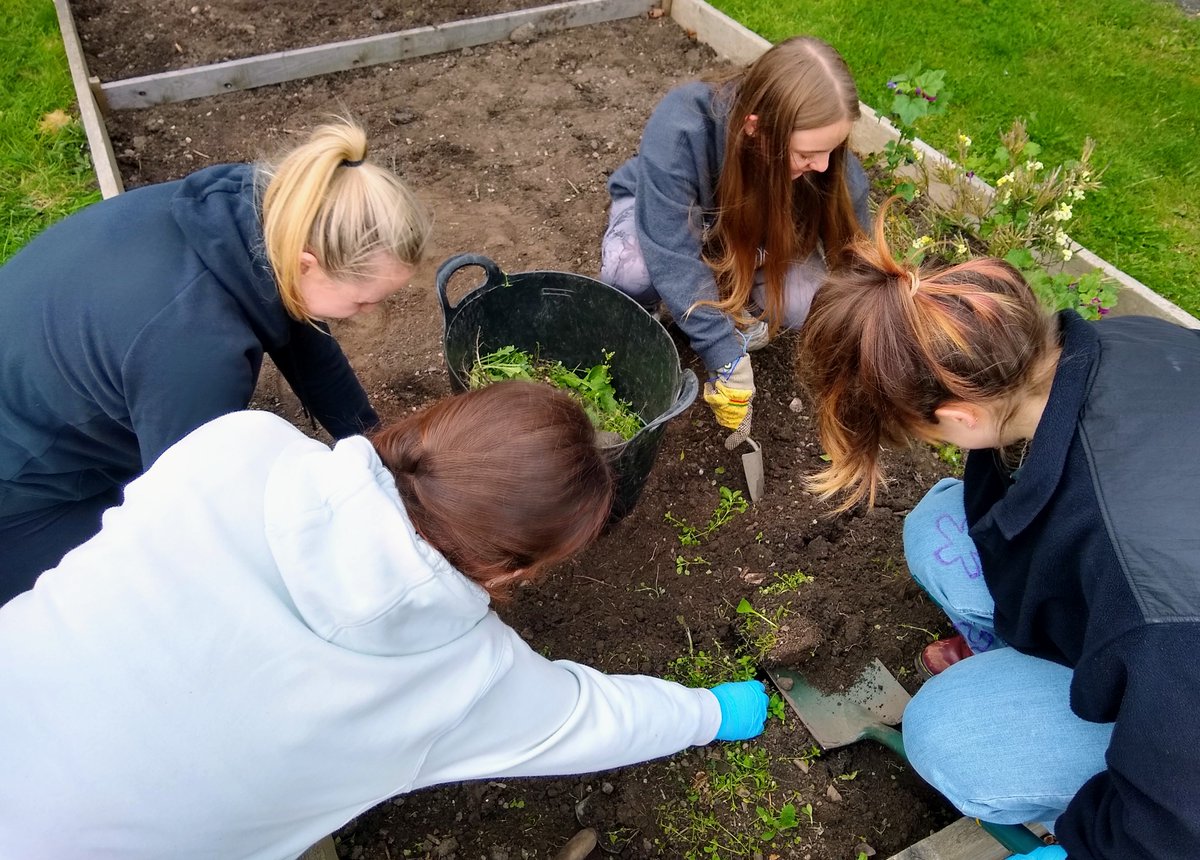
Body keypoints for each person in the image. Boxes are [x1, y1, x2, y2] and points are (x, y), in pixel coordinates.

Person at [0, 381, 768, 860]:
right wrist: (712, 711)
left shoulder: (241, 445)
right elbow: (594, 719)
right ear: (512, 570)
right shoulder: (462, 680)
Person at [796, 209, 1200, 859]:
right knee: (938, 526)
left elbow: (1177, 822)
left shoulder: (1153, 604)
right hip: (1159, 609)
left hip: (1181, 706)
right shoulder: (1128, 344)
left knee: (948, 736)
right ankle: (1021, 656)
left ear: (960, 414)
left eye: (920, 434)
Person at [0, 118, 430, 604]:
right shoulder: (196, 351)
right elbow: (192, 512)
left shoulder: (252, 215)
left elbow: (306, 343)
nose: (370, 313)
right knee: (146, 597)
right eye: (362, 301)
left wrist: (374, 450)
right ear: (306, 264)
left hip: (38, 395)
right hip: (23, 494)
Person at [601, 35, 870, 446]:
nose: (824, 164)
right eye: (808, 153)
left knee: (805, 302)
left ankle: (726, 300)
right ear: (756, 129)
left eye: (833, 149)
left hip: (742, 241)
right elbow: (671, 250)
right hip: (671, 219)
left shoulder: (822, 163)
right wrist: (723, 355)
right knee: (634, 272)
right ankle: (673, 312)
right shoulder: (682, 128)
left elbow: (859, 264)